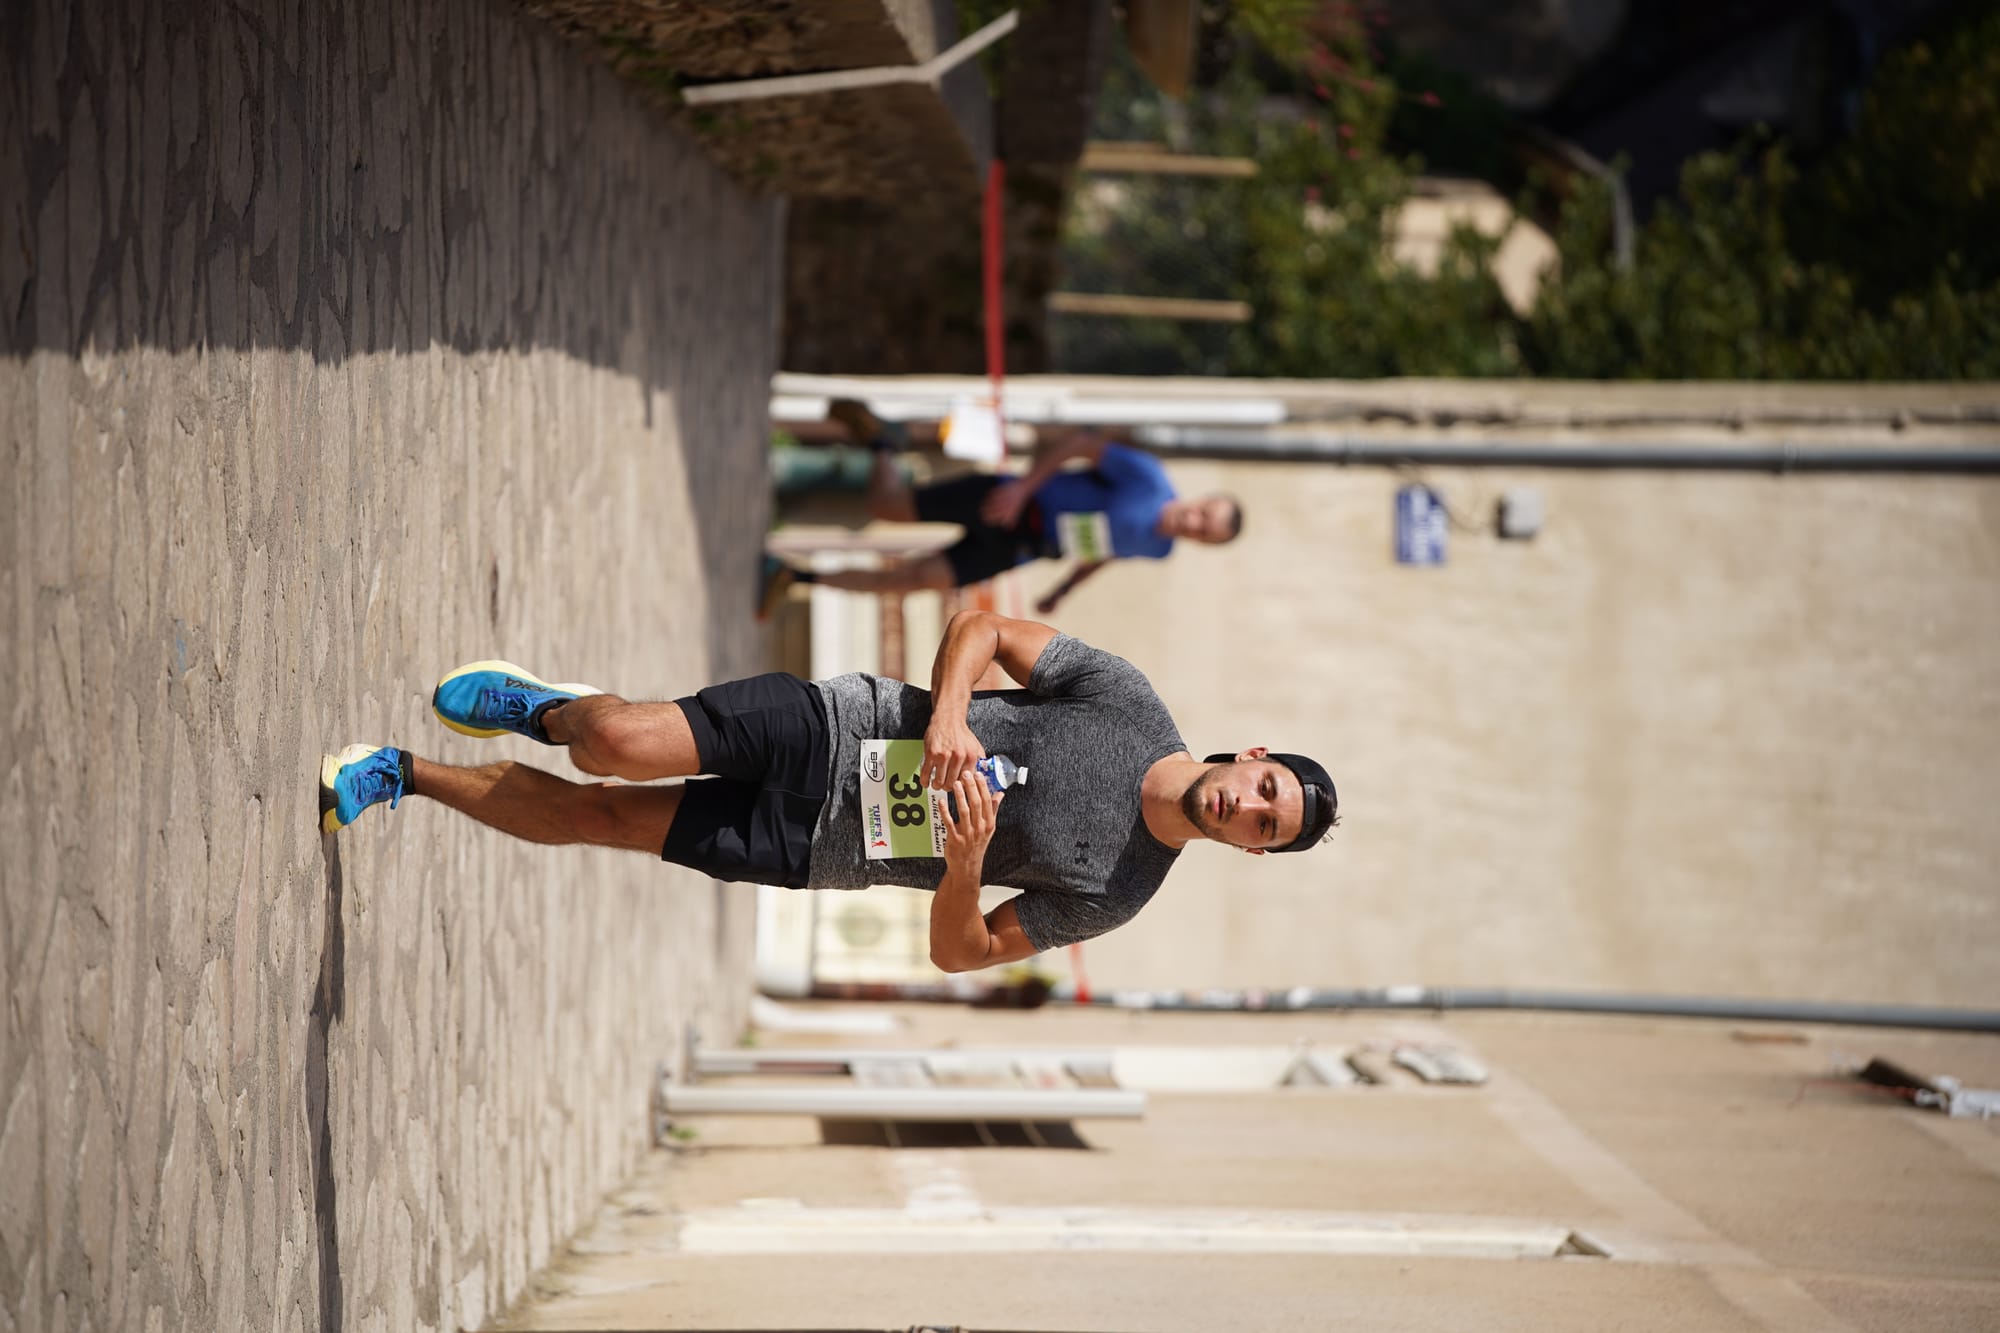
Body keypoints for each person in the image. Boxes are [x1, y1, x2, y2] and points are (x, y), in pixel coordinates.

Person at [319, 611, 1338, 971]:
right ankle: (553, 710)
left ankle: (399, 772)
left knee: (597, 817)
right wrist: (945, 717)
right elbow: (982, 626)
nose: (1246, 804)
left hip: (820, 850)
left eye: (1263, 823)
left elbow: (960, 952)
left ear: (1249, 849)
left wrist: (970, 864)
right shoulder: (1126, 702)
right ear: (1251, 755)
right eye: (1263, 787)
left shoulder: (1117, 891)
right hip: (840, 723)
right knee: (616, 745)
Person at [760, 402, 1243, 618]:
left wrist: (1063, 590)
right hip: (1008, 501)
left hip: (1021, 547)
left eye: (1204, 533)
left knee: (908, 581)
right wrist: (1022, 487)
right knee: (884, 507)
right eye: (1203, 515)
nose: (1194, 524)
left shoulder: (1159, 548)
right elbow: (1079, 443)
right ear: (1199, 502)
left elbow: (1104, 552)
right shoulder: (1149, 478)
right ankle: (884, 441)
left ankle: (794, 578)